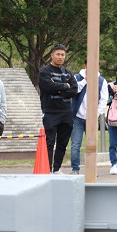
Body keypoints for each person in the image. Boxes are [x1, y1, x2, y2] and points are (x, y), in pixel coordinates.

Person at [38, 44, 78, 174]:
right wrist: (64, 86)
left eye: (62, 55)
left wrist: (60, 89)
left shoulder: (68, 72)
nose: (60, 57)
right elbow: (48, 86)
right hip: (50, 112)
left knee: (63, 143)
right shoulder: (45, 71)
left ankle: (56, 169)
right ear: (52, 55)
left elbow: (74, 90)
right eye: (58, 54)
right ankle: (47, 169)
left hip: (66, 112)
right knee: (49, 142)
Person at [70, 60, 107, 174]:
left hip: (91, 118)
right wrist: (85, 81)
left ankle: (92, 169)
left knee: (92, 144)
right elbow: (73, 91)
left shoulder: (101, 81)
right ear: (85, 65)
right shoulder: (77, 77)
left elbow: (104, 99)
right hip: (77, 116)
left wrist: (96, 113)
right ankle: (75, 169)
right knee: (76, 144)